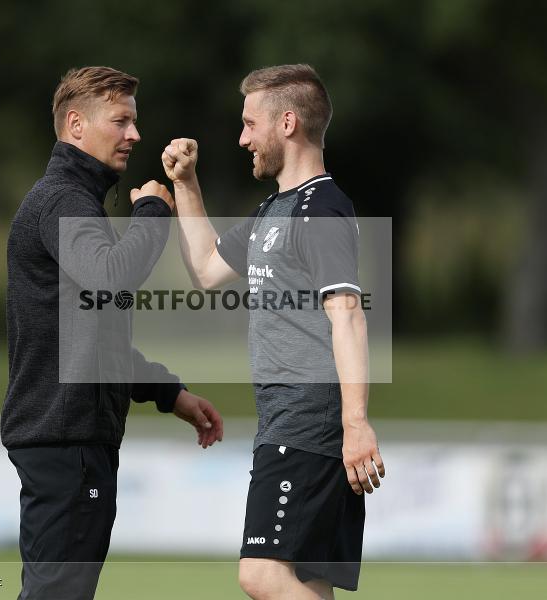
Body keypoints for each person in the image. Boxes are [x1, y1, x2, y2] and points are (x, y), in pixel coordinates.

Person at [161, 64, 384, 599]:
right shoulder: (275, 210)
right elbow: (208, 269)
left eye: (249, 124)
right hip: (289, 420)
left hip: (307, 421)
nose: (242, 139)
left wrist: (355, 423)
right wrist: (186, 184)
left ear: (287, 123)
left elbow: (348, 314)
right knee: (300, 580)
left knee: (261, 573)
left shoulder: (320, 210)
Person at [1, 66, 224, 600]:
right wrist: (153, 210)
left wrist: (168, 393)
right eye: (121, 121)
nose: (135, 134)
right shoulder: (64, 200)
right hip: (67, 442)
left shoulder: (74, 201)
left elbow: (93, 339)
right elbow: (111, 277)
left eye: (134, 122)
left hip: (70, 442)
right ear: (76, 125)